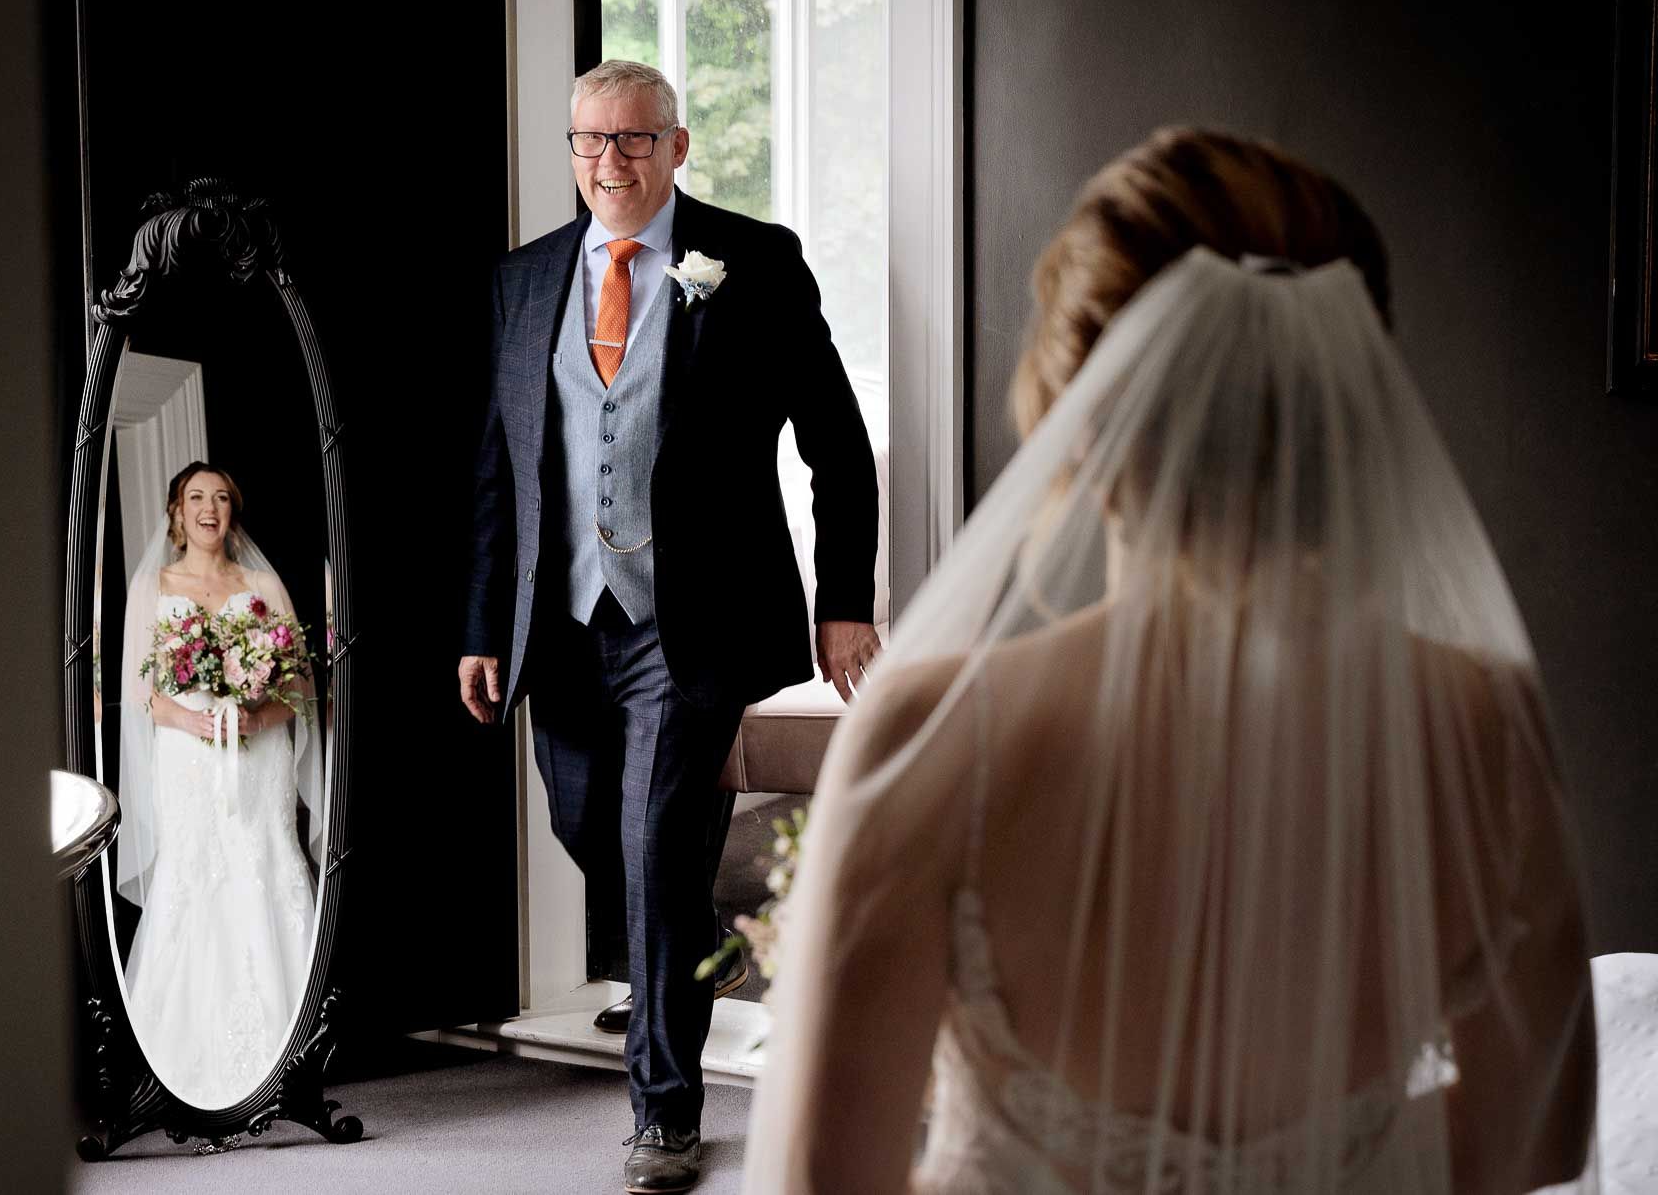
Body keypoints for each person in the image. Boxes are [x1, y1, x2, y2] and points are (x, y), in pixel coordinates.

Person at [744, 128, 1599, 1193]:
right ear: (1350, 393)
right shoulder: (1485, 722)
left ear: (1077, 409)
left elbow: (823, 1179)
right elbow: (1538, 1135)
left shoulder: (936, 727)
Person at [459, 58, 881, 1194]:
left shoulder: (756, 261)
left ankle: (664, 1114)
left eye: (635, 140)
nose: (611, 162)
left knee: (650, 852)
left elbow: (836, 440)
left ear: (679, 147)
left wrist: (845, 600)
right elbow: (506, 464)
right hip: (565, 618)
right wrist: (483, 622)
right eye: (589, 141)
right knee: (596, 828)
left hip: (688, 628)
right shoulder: (525, 278)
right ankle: (699, 933)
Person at [116, 461, 325, 1109]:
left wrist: (256, 713)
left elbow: (299, 684)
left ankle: (285, 1057)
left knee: (265, 865)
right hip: (187, 756)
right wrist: (194, 720)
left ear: (234, 511)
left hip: (256, 753)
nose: (210, 507)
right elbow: (138, 693)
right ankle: (181, 1062)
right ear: (176, 513)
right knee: (195, 875)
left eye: (223, 497)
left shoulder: (261, 583)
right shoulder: (154, 583)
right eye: (197, 497)